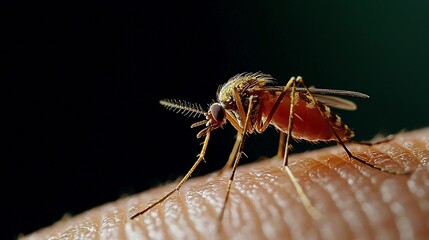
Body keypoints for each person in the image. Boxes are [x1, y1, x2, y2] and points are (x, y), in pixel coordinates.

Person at [21, 128, 429, 239]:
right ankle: (358, 150)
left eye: (216, 117)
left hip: (304, 114)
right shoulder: (231, 109)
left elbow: (259, 104)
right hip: (294, 117)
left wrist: (226, 175)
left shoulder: (243, 101)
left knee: (290, 86)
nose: (212, 125)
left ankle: (358, 151)